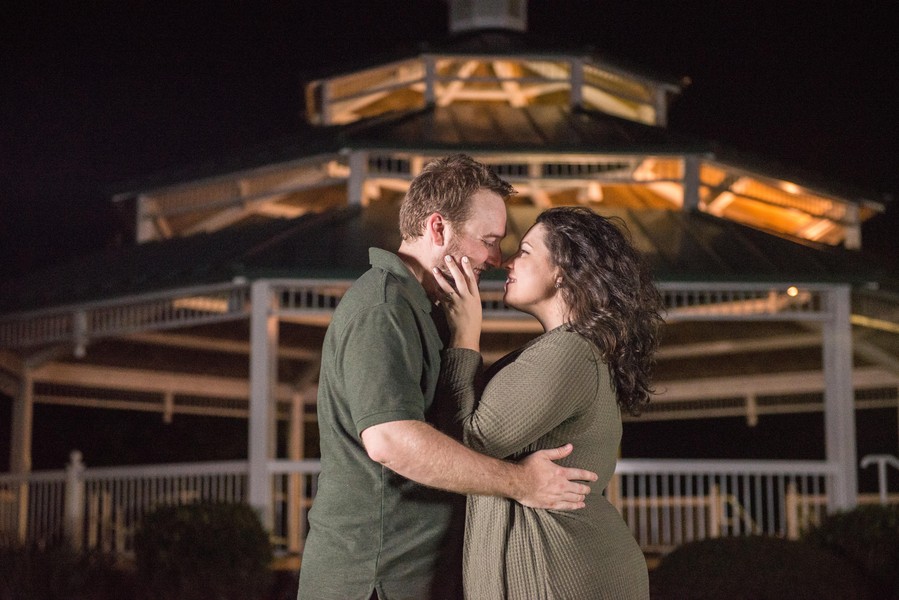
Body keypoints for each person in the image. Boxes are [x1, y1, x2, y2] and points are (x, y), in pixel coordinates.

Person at [297, 155, 599, 600]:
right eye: (489, 240)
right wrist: (523, 483)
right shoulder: (384, 308)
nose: (496, 259)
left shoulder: (429, 307)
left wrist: (465, 336)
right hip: (376, 580)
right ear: (438, 228)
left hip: (416, 576)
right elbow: (390, 440)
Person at [435, 206, 663, 599]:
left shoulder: (570, 352)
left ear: (562, 270)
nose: (507, 262)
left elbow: (466, 441)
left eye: (524, 251)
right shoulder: (560, 350)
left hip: (563, 576)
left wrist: (465, 335)